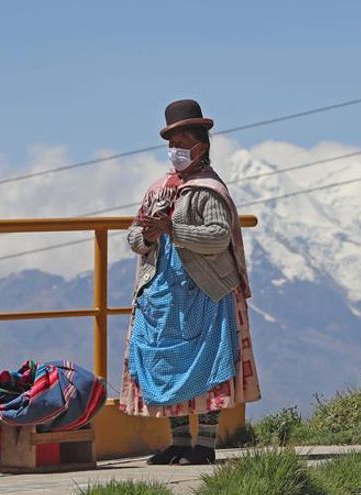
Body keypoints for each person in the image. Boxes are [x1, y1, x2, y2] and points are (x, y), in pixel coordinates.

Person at [119, 99, 261, 465]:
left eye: (182, 143)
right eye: (172, 144)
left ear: (201, 144)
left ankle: (206, 443)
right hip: (163, 293)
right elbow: (135, 237)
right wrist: (148, 236)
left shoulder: (208, 190)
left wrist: (173, 229)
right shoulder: (158, 191)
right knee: (166, 362)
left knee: (207, 362)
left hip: (205, 291)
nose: (176, 151)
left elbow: (216, 237)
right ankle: (180, 441)